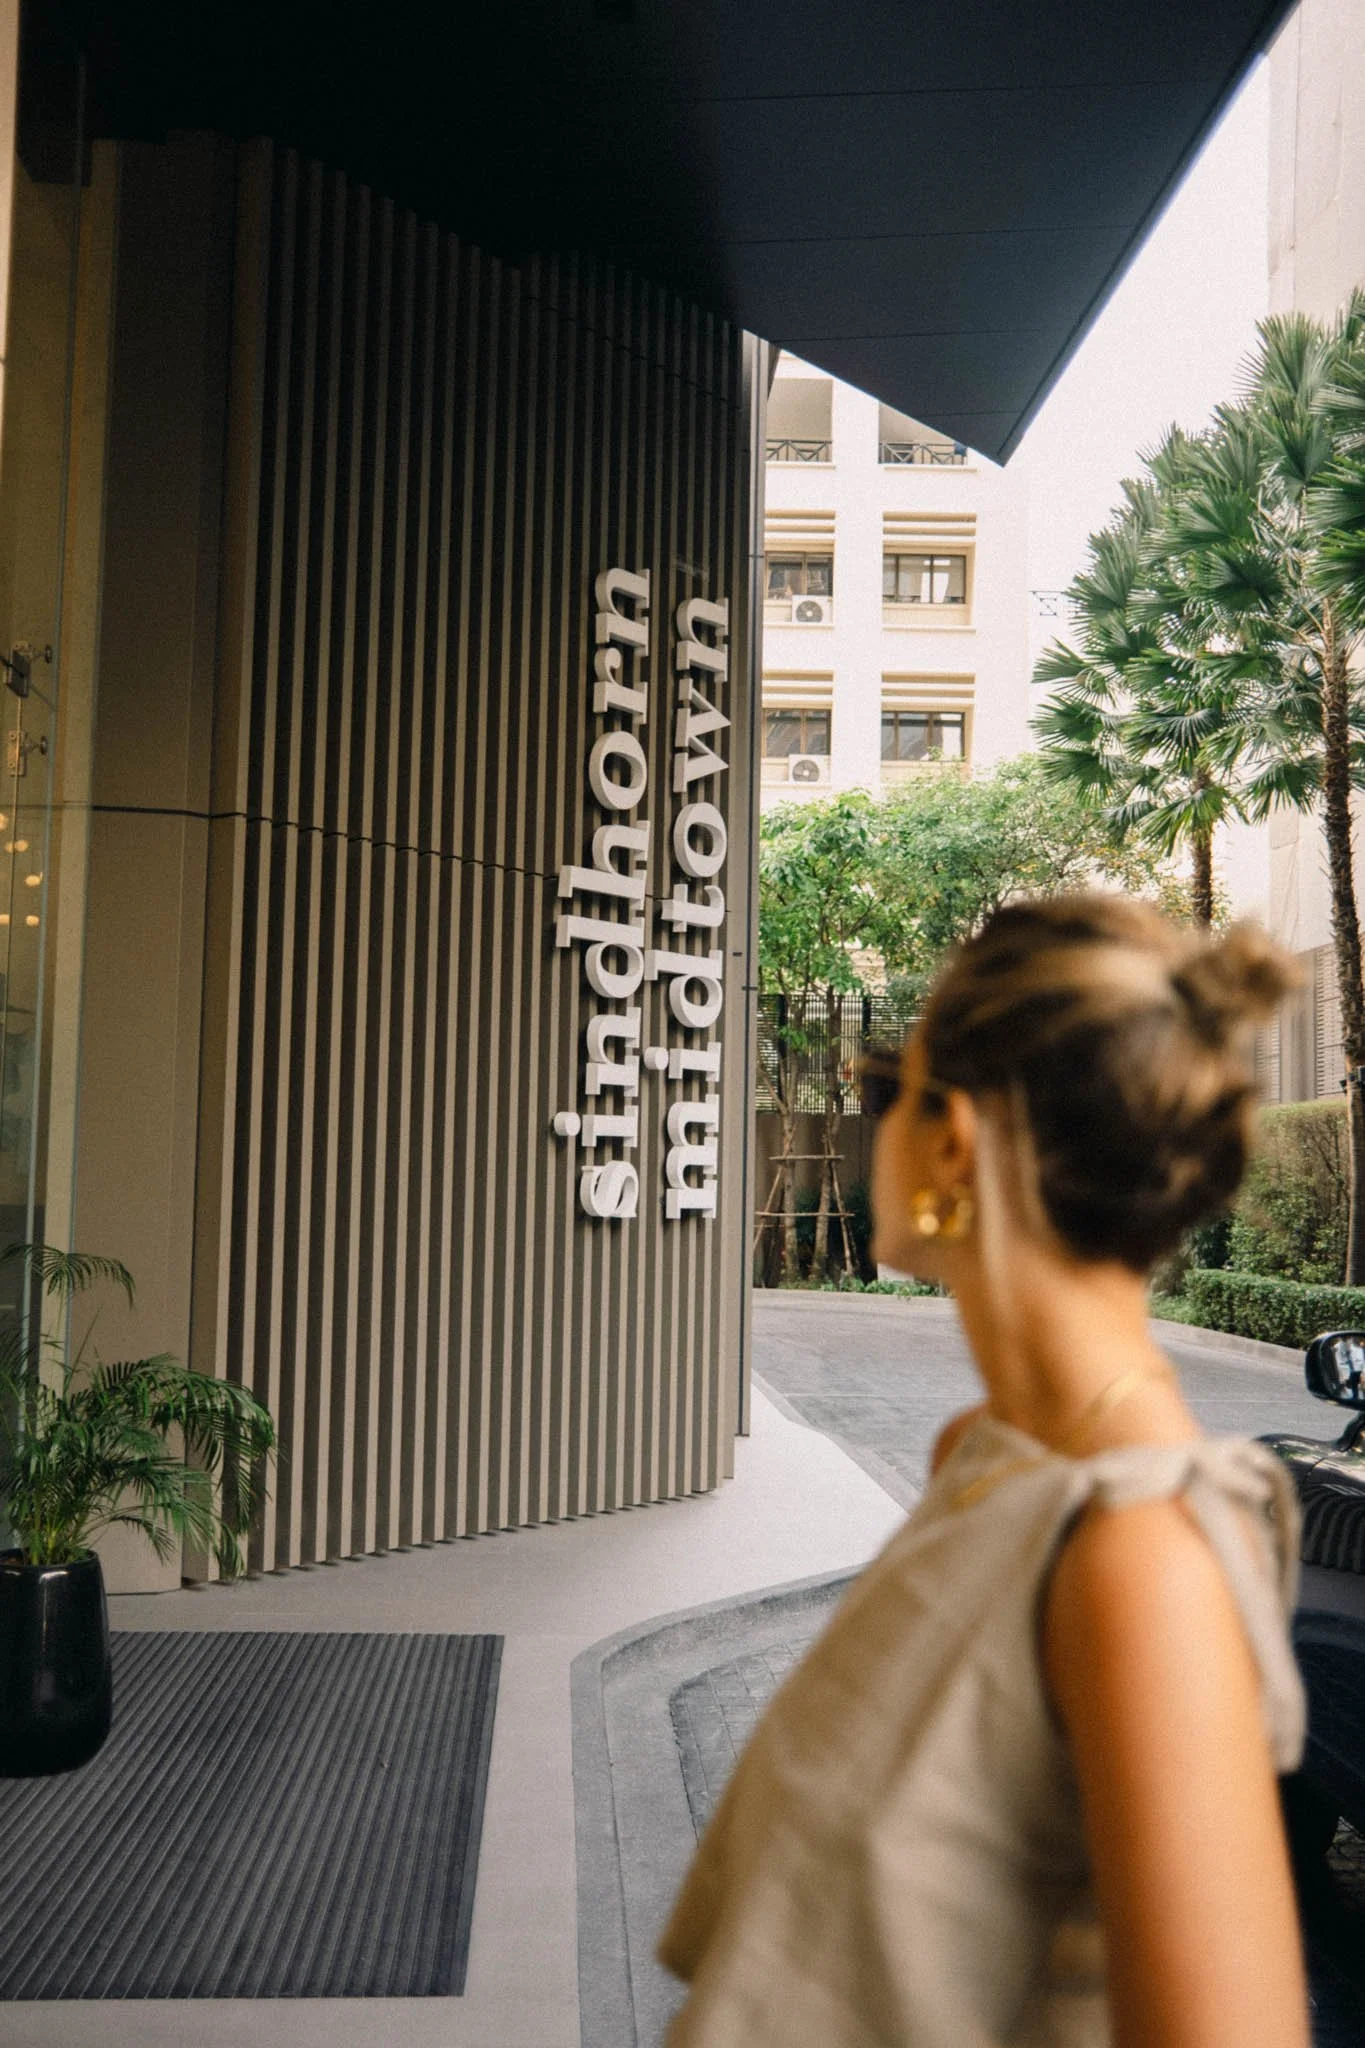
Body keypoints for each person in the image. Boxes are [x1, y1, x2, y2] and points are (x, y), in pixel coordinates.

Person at [659, 893, 1310, 2047]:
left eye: (882, 1093)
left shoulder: (1137, 1552)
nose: (875, 1128)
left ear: (952, 1139)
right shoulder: (984, 1453)